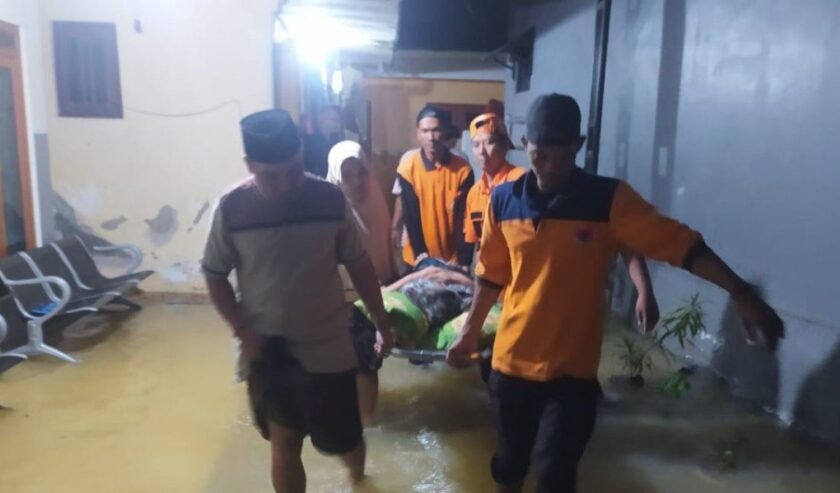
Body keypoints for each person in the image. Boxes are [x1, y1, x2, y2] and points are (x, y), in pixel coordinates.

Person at [447, 94, 785, 493]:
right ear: (525, 145)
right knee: (508, 465)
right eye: (541, 152)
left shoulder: (607, 199)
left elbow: (680, 244)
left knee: (554, 471)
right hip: (511, 366)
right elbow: (490, 276)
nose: (551, 164)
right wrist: (469, 334)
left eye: (562, 152)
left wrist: (741, 292)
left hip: (571, 374)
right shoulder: (503, 201)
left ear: (579, 144)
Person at [202, 109, 393, 492]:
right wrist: (242, 330)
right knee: (284, 443)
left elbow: (359, 264)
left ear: (302, 154)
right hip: (270, 351)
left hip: (329, 349)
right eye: (271, 176)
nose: (286, 184)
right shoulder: (232, 209)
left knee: (345, 441)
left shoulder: (329, 199)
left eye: (293, 170)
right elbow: (214, 272)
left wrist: (382, 324)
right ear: (249, 166)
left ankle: (358, 480)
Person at [326, 140, 396, 424]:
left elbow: (386, 259)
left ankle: (368, 427)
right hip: (333, 303)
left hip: (371, 300)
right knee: (334, 370)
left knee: (366, 364)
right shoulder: (326, 214)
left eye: (362, 173)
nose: (356, 182)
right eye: (347, 176)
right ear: (335, 178)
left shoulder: (378, 207)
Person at [395, 104, 475, 271]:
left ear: (444, 132)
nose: (430, 137)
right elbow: (411, 213)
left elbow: (465, 216)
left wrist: (463, 257)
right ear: (418, 134)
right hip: (416, 257)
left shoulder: (463, 170)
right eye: (425, 131)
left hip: (451, 260)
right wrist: (421, 255)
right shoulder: (408, 166)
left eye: (436, 130)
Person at [303, 105, 347, 178]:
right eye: (332, 119)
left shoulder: (336, 141)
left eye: (337, 121)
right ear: (321, 118)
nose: (335, 123)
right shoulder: (310, 141)